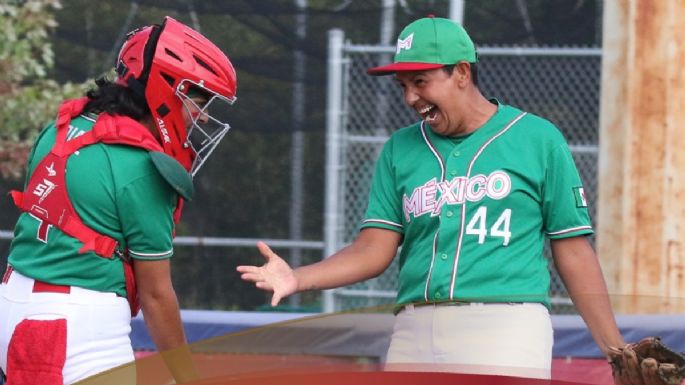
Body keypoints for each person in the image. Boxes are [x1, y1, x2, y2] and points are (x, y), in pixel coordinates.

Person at [238, 16, 626, 379]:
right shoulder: (399, 149)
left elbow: (573, 250)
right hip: (415, 329)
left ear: (461, 72)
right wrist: (297, 278)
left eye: (420, 81)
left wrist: (617, 352)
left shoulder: (538, 140)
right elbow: (372, 250)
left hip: (505, 327)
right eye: (403, 86)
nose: (410, 97)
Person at [0, 16, 237, 385]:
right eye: (198, 101)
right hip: (78, 324)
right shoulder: (145, 168)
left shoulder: (60, 127)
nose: (203, 117)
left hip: (12, 304)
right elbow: (156, 295)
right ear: (165, 89)